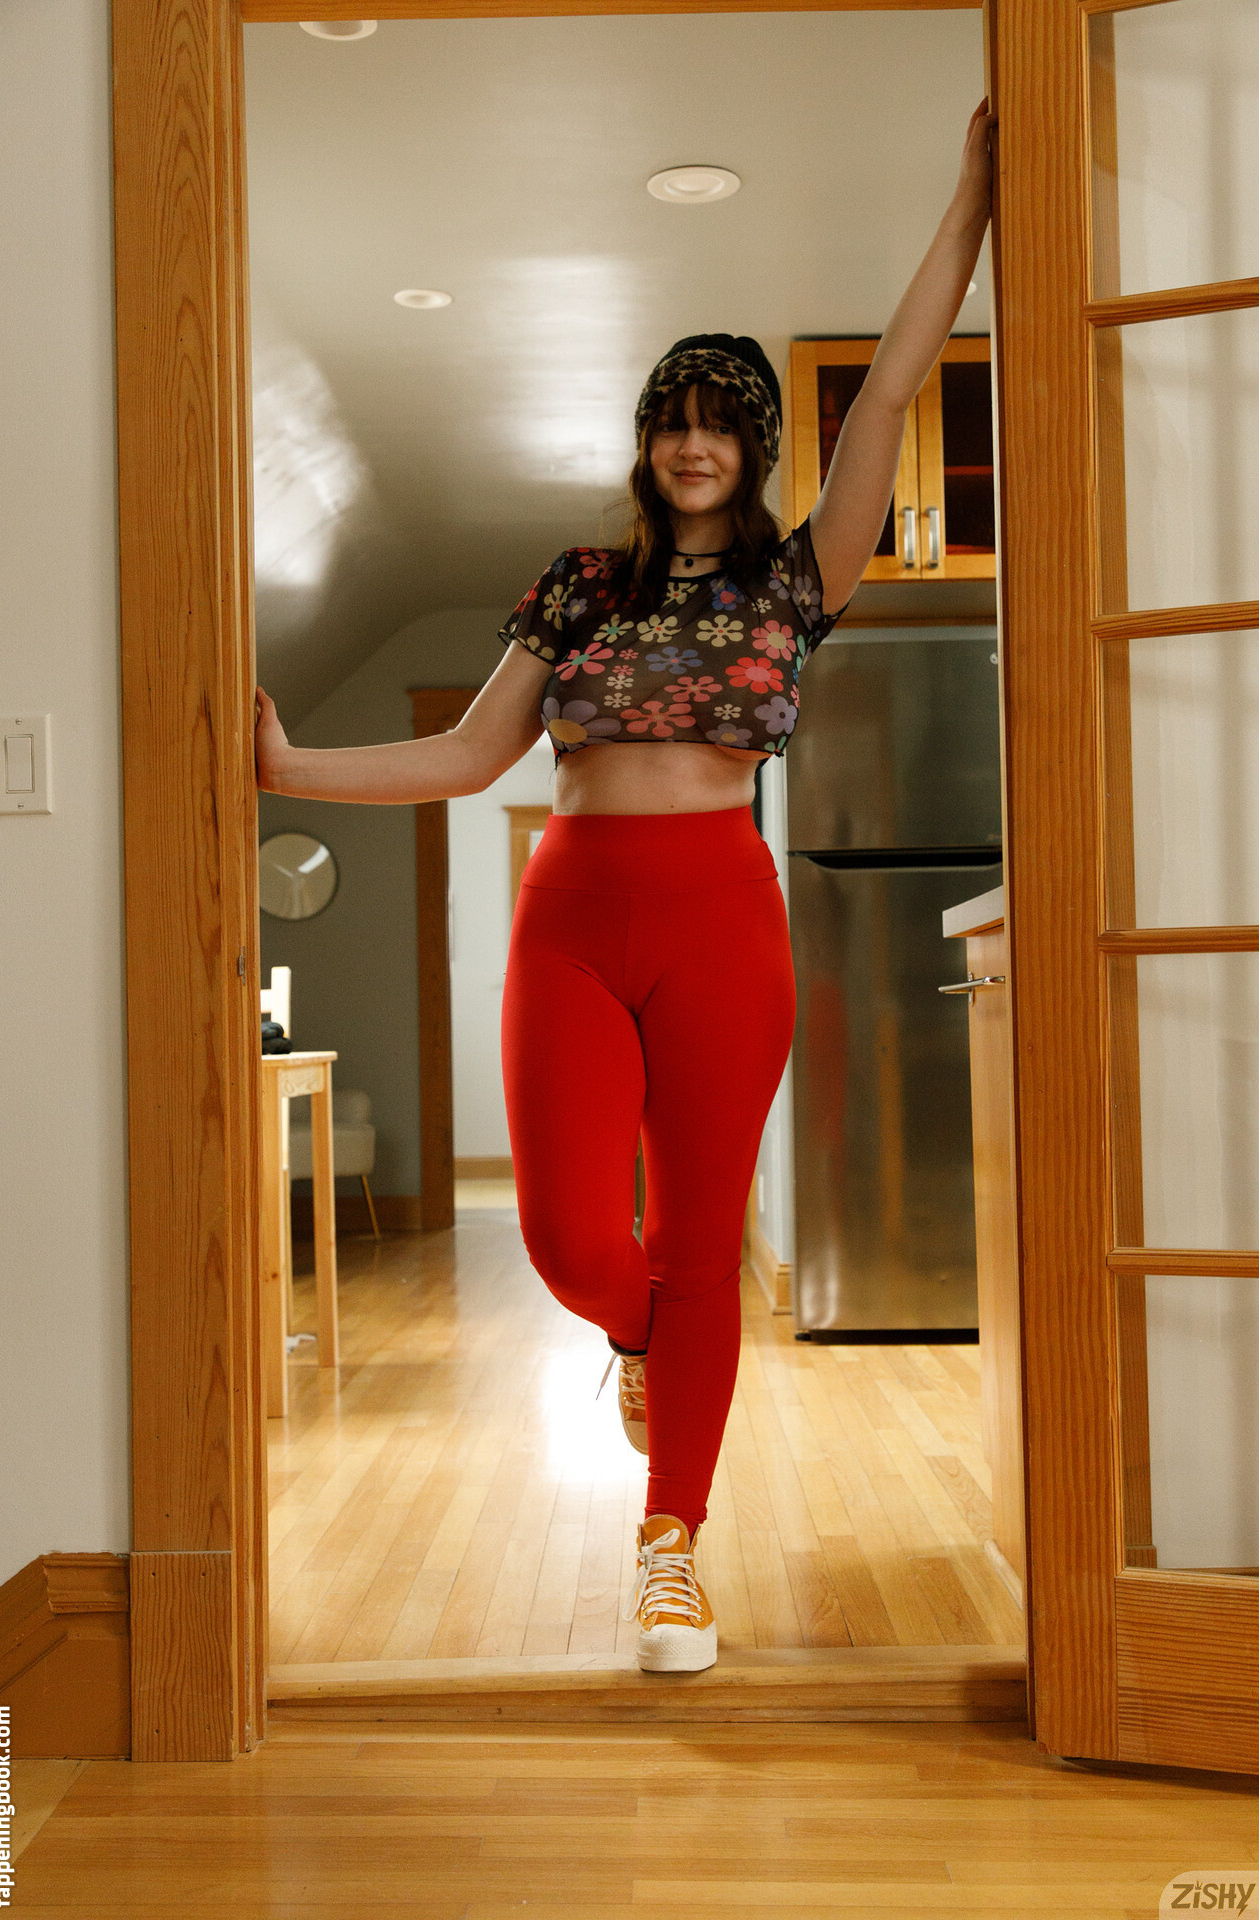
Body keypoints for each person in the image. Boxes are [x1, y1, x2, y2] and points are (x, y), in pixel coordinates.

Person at [255, 100, 993, 1675]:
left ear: (758, 446)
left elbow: (895, 380)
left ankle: (672, 1549)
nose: (693, 443)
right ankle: (649, 1338)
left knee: (703, 1230)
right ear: (647, 441)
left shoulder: (801, 578)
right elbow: (467, 757)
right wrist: (283, 764)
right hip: (573, 920)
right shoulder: (578, 586)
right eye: (672, 419)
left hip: (724, 918)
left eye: (722, 421)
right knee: (573, 1241)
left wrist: (973, 199)